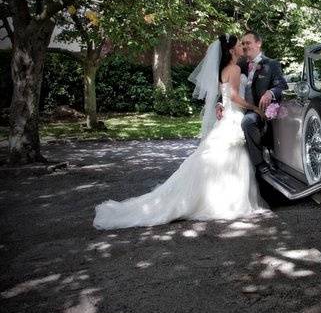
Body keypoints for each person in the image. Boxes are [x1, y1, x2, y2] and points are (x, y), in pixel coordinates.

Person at [93, 34, 268, 230]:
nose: (241, 47)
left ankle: (213, 199)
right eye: (238, 45)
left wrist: (221, 103)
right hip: (233, 116)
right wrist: (254, 108)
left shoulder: (225, 69)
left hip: (227, 115)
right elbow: (234, 96)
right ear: (230, 50)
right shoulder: (234, 68)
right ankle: (227, 203)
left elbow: (226, 95)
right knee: (232, 157)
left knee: (218, 159)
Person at [216, 31, 287, 173]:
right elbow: (229, 87)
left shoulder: (271, 64)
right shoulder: (239, 64)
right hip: (243, 108)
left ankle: (260, 163)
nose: (245, 46)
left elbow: (282, 85)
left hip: (260, 110)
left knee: (248, 121)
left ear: (258, 43)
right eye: (243, 43)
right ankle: (258, 163)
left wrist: (270, 92)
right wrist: (219, 102)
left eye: (248, 42)